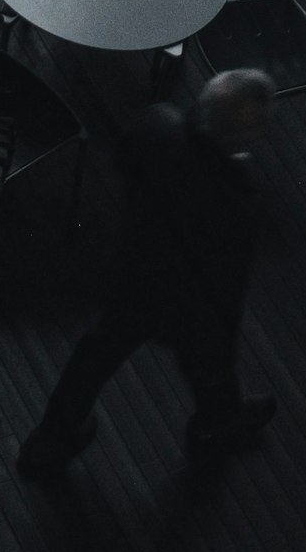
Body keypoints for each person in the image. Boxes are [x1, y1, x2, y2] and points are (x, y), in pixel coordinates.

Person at [15, 71, 277, 479]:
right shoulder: (239, 205)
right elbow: (229, 288)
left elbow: (125, 160)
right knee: (208, 365)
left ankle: (54, 436)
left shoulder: (158, 125)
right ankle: (216, 423)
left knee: (96, 354)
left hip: (133, 274)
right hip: (188, 306)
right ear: (244, 138)